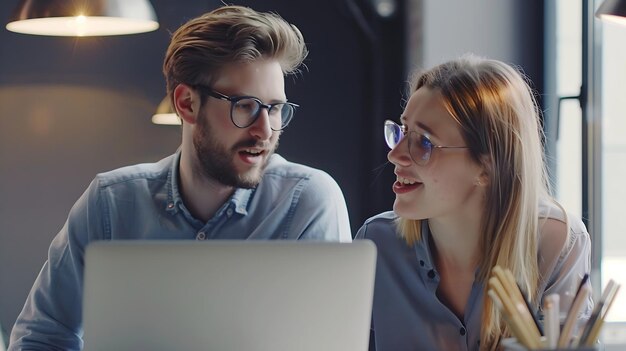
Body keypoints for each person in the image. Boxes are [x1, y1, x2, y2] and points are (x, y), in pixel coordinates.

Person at [9, 5, 351, 350]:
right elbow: (41, 337)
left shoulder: (308, 201)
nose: (265, 131)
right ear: (187, 103)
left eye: (274, 108)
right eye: (245, 106)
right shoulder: (111, 202)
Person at [356, 55, 592, 351]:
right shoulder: (376, 244)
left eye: (424, 142)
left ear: (486, 166)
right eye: (402, 132)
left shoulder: (558, 243)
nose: (395, 155)